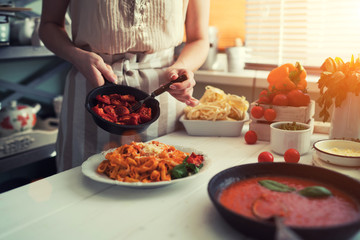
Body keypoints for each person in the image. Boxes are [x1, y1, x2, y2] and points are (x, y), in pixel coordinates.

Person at [39, 0, 210, 172]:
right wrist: (76, 56)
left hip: (163, 95)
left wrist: (182, 69)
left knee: (163, 178)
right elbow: (49, 25)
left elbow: (199, 39)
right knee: (81, 187)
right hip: (90, 86)